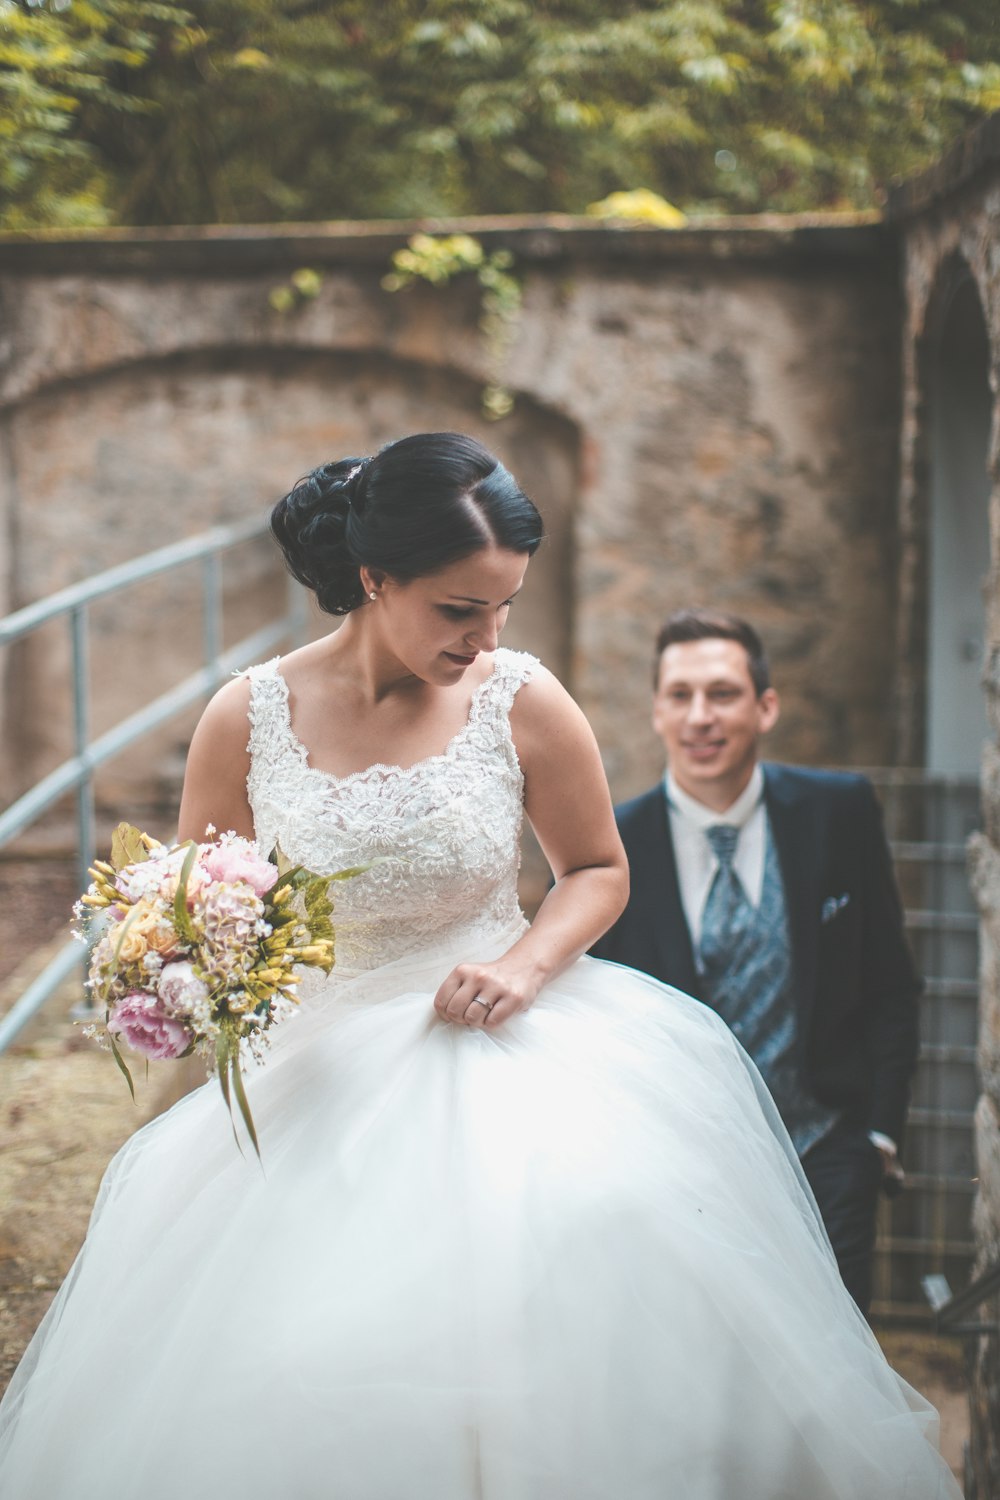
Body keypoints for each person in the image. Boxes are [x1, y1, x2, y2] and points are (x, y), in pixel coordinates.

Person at [0, 436, 958, 1499]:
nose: (486, 637)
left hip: (509, 1056)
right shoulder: (247, 716)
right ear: (374, 579)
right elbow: (198, 900)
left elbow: (596, 867)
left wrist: (527, 962)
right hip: (308, 1094)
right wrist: (177, 974)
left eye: (503, 606)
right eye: (460, 610)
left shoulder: (519, 699)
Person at [592, 606, 920, 1318]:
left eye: (723, 693)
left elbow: (892, 983)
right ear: (656, 712)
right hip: (679, 1174)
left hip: (827, 1155)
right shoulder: (610, 845)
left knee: (835, 1391)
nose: (700, 717)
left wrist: (877, 1141)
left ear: (765, 706)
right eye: (680, 696)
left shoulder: (840, 813)